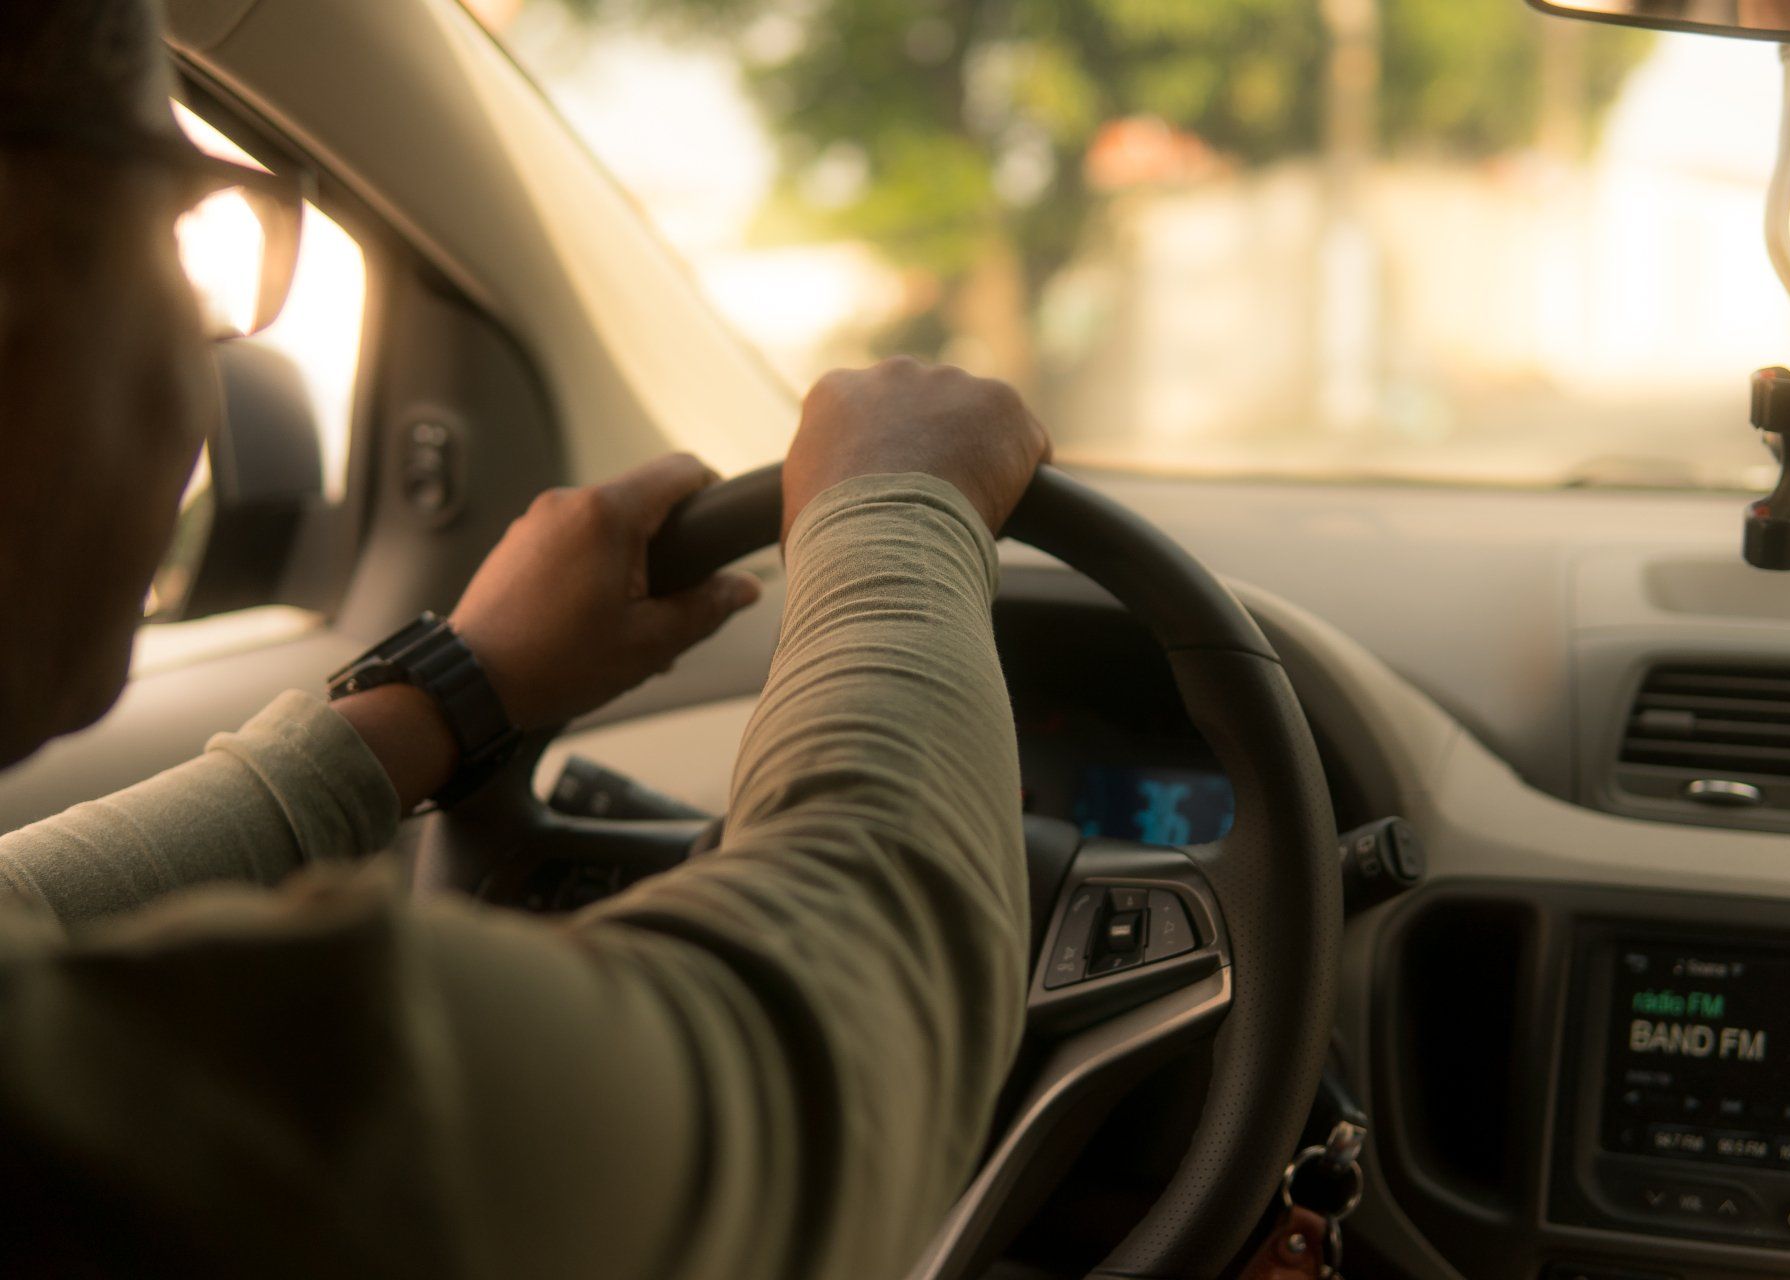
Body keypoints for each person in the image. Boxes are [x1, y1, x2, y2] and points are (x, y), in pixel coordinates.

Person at [0, 1, 1051, 1275]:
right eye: (184, 228)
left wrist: (454, 692)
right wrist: (896, 514)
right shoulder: (198, 1108)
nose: (209, 351)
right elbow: (822, 1052)